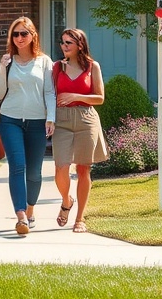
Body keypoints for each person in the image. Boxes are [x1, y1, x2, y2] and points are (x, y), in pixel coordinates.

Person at [0, 17, 55, 236]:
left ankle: (30, 209)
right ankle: (21, 216)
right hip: (10, 120)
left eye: (24, 34)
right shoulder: (7, 61)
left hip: (37, 121)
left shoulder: (44, 62)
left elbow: (49, 91)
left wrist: (52, 118)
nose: (19, 38)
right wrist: (2, 69)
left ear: (33, 36)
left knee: (34, 173)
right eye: (15, 34)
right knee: (17, 166)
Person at [52, 28, 108, 233]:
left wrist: (75, 96)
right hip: (62, 120)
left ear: (80, 45)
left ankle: (79, 218)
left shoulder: (93, 67)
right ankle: (67, 200)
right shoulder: (57, 67)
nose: (64, 46)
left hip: (86, 119)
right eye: (63, 42)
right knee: (61, 168)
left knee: (83, 169)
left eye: (69, 43)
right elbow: (49, 94)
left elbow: (99, 98)